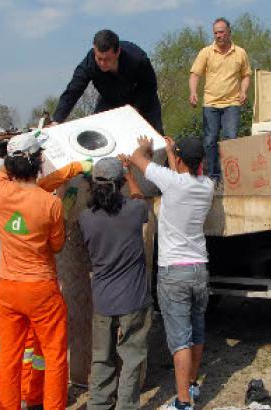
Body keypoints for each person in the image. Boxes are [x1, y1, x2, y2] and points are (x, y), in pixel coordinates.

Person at [0, 132, 90, 410]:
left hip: (8, 287)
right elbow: (56, 246)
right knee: (54, 355)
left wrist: (68, 171)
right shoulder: (52, 204)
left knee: (10, 356)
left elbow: (2, 171)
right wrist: (73, 172)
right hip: (41, 289)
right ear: (39, 161)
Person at [130, 136, 215, 410]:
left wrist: (145, 147)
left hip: (173, 272)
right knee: (197, 332)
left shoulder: (171, 181)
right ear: (200, 162)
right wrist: (171, 151)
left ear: (178, 160)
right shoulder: (207, 186)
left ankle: (183, 402)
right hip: (199, 268)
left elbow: (136, 158)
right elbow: (181, 175)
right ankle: (191, 386)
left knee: (180, 340)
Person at [78, 156, 152, 410]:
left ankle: (98, 404)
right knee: (131, 357)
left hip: (103, 300)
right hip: (134, 299)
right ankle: (126, 406)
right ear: (120, 183)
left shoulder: (85, 218)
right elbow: (140, 198)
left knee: (101, 357)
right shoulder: (134, 211)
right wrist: (131, 174)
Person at [52, 29, 164, 134]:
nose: (102, 63)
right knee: (96, 133)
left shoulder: (138, 59)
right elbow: (72, 92)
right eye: (99, 58)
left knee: (156, 140)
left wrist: (136, 108)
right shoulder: (89, 64)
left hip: (142, 100)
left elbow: (150, 86)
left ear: (118, 52)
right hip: (110, 99)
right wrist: (57, 120)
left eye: (107, 59)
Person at [189, 17, 252, 181]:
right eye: (216, 33)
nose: (218, 35)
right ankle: (214, 175)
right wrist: (193, 92)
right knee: (210, 140)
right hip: (211, 103)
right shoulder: (206, 53)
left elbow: (246, 75)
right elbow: (195, 74)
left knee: (231, 138)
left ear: (229, 32)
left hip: (232, 103)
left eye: (222, 32)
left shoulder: (240, 53)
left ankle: (232, 176)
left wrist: (244, 91)